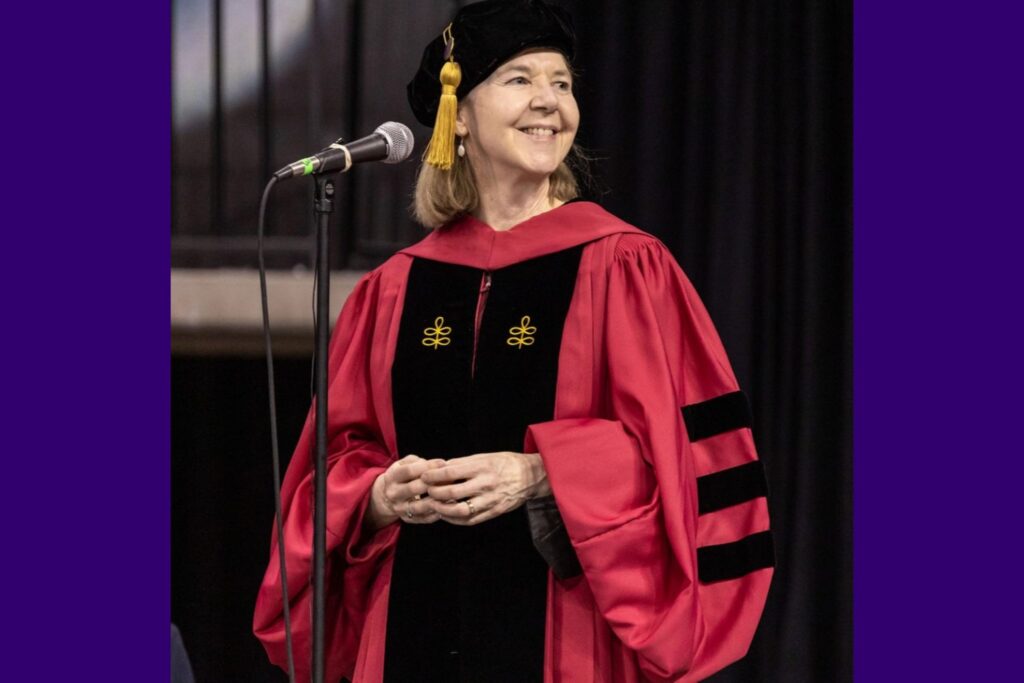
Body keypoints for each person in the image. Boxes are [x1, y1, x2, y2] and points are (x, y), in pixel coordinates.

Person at [254, 1, 774, 681]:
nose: (549, 102)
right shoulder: (392, 292)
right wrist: (381, 492)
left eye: (561, 83)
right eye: (520, 80)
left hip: (570, 642)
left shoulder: (624, 267)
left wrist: (542, 473)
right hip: (408, 633)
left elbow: (686, 462)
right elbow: (329, 470)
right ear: (458, 117)